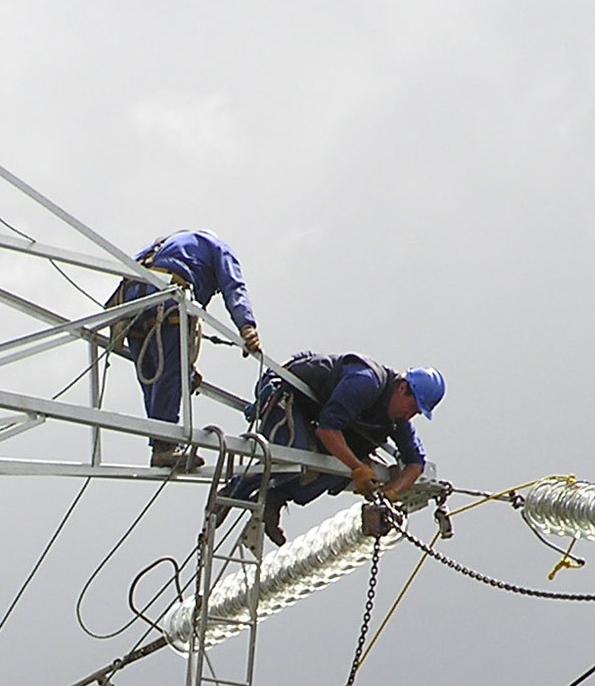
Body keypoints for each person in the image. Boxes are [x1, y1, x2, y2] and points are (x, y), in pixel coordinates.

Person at [224, 353, 445, 544]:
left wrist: (393, 491)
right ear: (403, 388)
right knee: (296, 455)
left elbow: (416, 463)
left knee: (333, 472)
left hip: (318, 419)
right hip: (289, 396)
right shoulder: (367, 382)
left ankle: (275, 499)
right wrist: (359, 468)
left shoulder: (397, 419)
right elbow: (327, 431)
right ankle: (234, 491)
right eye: (413, 407)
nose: (411, 415)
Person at [107, 230, 262, 471]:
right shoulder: (219, 248)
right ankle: (165, 447)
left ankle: (160, 442)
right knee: (169, 372)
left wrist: (188, 370)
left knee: (153, 377)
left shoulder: (162, 244)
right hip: (165, 296)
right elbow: (234, 287)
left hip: (130, 303)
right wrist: (247, 326)